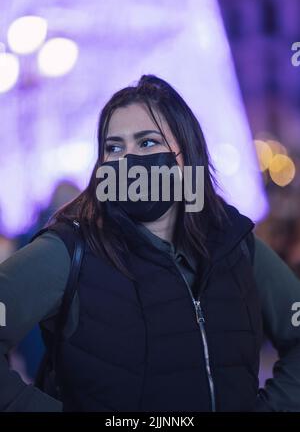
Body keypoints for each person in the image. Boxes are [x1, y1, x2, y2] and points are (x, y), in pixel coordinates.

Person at [1, 74, 300, 412]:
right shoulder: (69, 250)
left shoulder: (234, 246)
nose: (129, 160)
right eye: (114, 147)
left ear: (186, 156)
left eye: (147, 143)